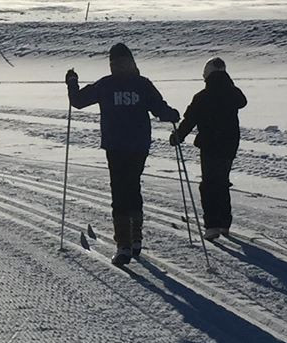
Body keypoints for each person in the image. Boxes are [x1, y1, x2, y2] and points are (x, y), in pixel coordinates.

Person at [66, 42, 180, 265]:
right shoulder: (142, 84)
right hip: (138, 145)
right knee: (133, 187)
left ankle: (124, 246)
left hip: (117, 145)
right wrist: (172, 114)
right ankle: (134, 240)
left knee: (120, 192)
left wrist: (72, 83)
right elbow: (160, 109)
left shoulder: (107, 85)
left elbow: (77, 101)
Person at [168, 56, 247, 239]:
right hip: (229, 144)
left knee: (209, 184)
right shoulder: (233, 93)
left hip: (210, 145)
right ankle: (224, 223)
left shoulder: (202, 97)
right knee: (222, 182)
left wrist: (178, 137)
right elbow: (241, 101)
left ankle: (212, 225)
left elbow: (189, 120)